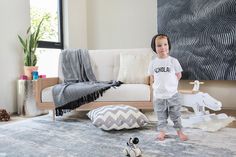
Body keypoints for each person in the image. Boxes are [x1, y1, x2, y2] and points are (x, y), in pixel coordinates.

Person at [148, 34, 188, 141]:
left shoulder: (173, 61)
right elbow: (152, 77)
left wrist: (171, 84)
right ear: (154, 48)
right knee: (161, 116)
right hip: (159, 96)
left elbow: (178, 75)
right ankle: (162, 133)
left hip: (172, 94)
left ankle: (180, 132)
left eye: (165, 44)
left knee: (176, 115)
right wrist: (154, 90)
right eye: (159, 45)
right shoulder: (153, 63)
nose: (162, 47)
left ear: (168, 46)